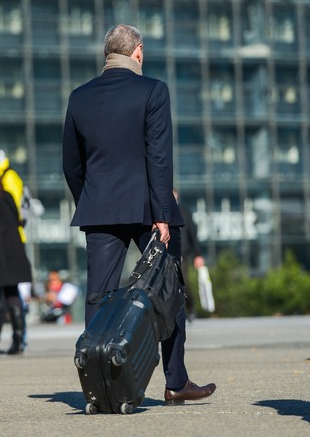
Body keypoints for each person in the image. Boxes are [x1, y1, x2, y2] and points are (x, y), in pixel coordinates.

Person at [63, 24, 216, 404]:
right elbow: (158, 157)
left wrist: (93, 200)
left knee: (97, 297)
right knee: (169, 290)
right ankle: (176, 383)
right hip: (149, 210)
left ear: (106, 54)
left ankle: (99, 388)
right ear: (138, 53)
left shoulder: (79, 97)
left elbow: (71, 164)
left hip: (99, 208)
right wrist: (163, 213)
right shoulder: (152, 90)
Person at [0, 149, 32, 355]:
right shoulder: (8, 177)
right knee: (10, 291)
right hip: (10, 242)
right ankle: (18, 339)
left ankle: (19, 339)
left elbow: (19, 210)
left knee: (9, 291)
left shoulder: (8, 176)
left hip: (7, 242)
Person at [173, 190, 205, 322]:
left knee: (183, 282)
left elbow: (192, 233)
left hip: (182, 252)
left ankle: (190, 307)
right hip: (165, 253)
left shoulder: (184, 211)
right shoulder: (161, 211)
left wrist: (197, 254)